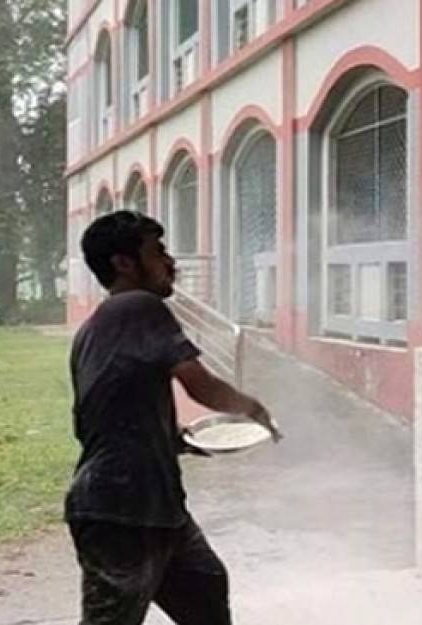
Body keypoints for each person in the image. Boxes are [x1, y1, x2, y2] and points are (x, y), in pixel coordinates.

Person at [67, 210, 280, 624]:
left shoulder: (92, 331)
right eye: (158, 251)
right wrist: (252, 408)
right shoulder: (139, 306)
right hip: (120, 508)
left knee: (206, 589)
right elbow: (200, 385)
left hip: (157, 506)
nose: (170, 262)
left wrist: (174, 436)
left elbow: (97, 418)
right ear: (123, 263)